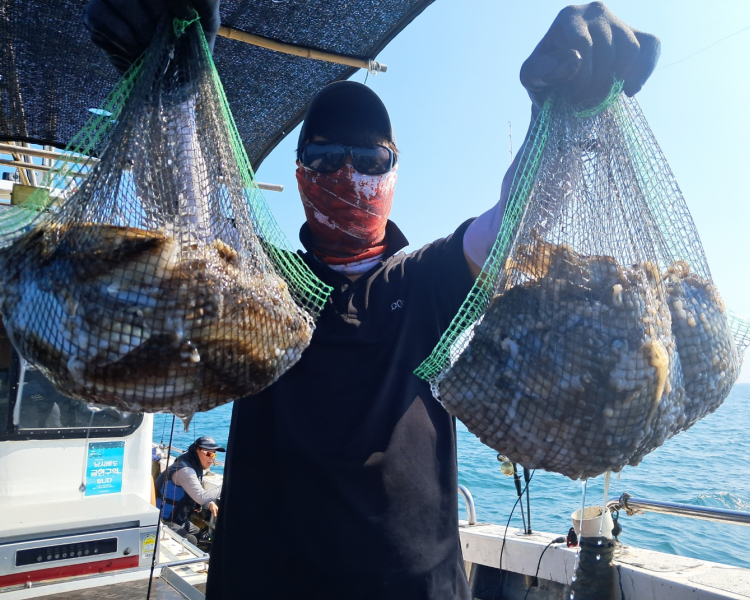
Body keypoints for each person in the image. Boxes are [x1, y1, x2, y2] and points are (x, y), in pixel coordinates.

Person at [84, 2, 659, 597]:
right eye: (326, 159)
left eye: (369, 160)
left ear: (394, 169)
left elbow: (514, 223)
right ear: (301, 174)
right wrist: (171, 94)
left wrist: (558, 114)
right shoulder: (260, 278)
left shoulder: (427, 279)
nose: (347, 175)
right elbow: (187, 218)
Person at [155, 435, 224, 546]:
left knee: (204, 537)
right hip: (164, 520)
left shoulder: (194, 465)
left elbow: (196, 489)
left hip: (180, 519)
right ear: (197, 451)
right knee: (191, 540)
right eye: (209, 453)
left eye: (214, 454)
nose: (212, 458)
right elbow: (200, 497)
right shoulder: (185, 470)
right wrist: (227, 485)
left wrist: (210, 503)